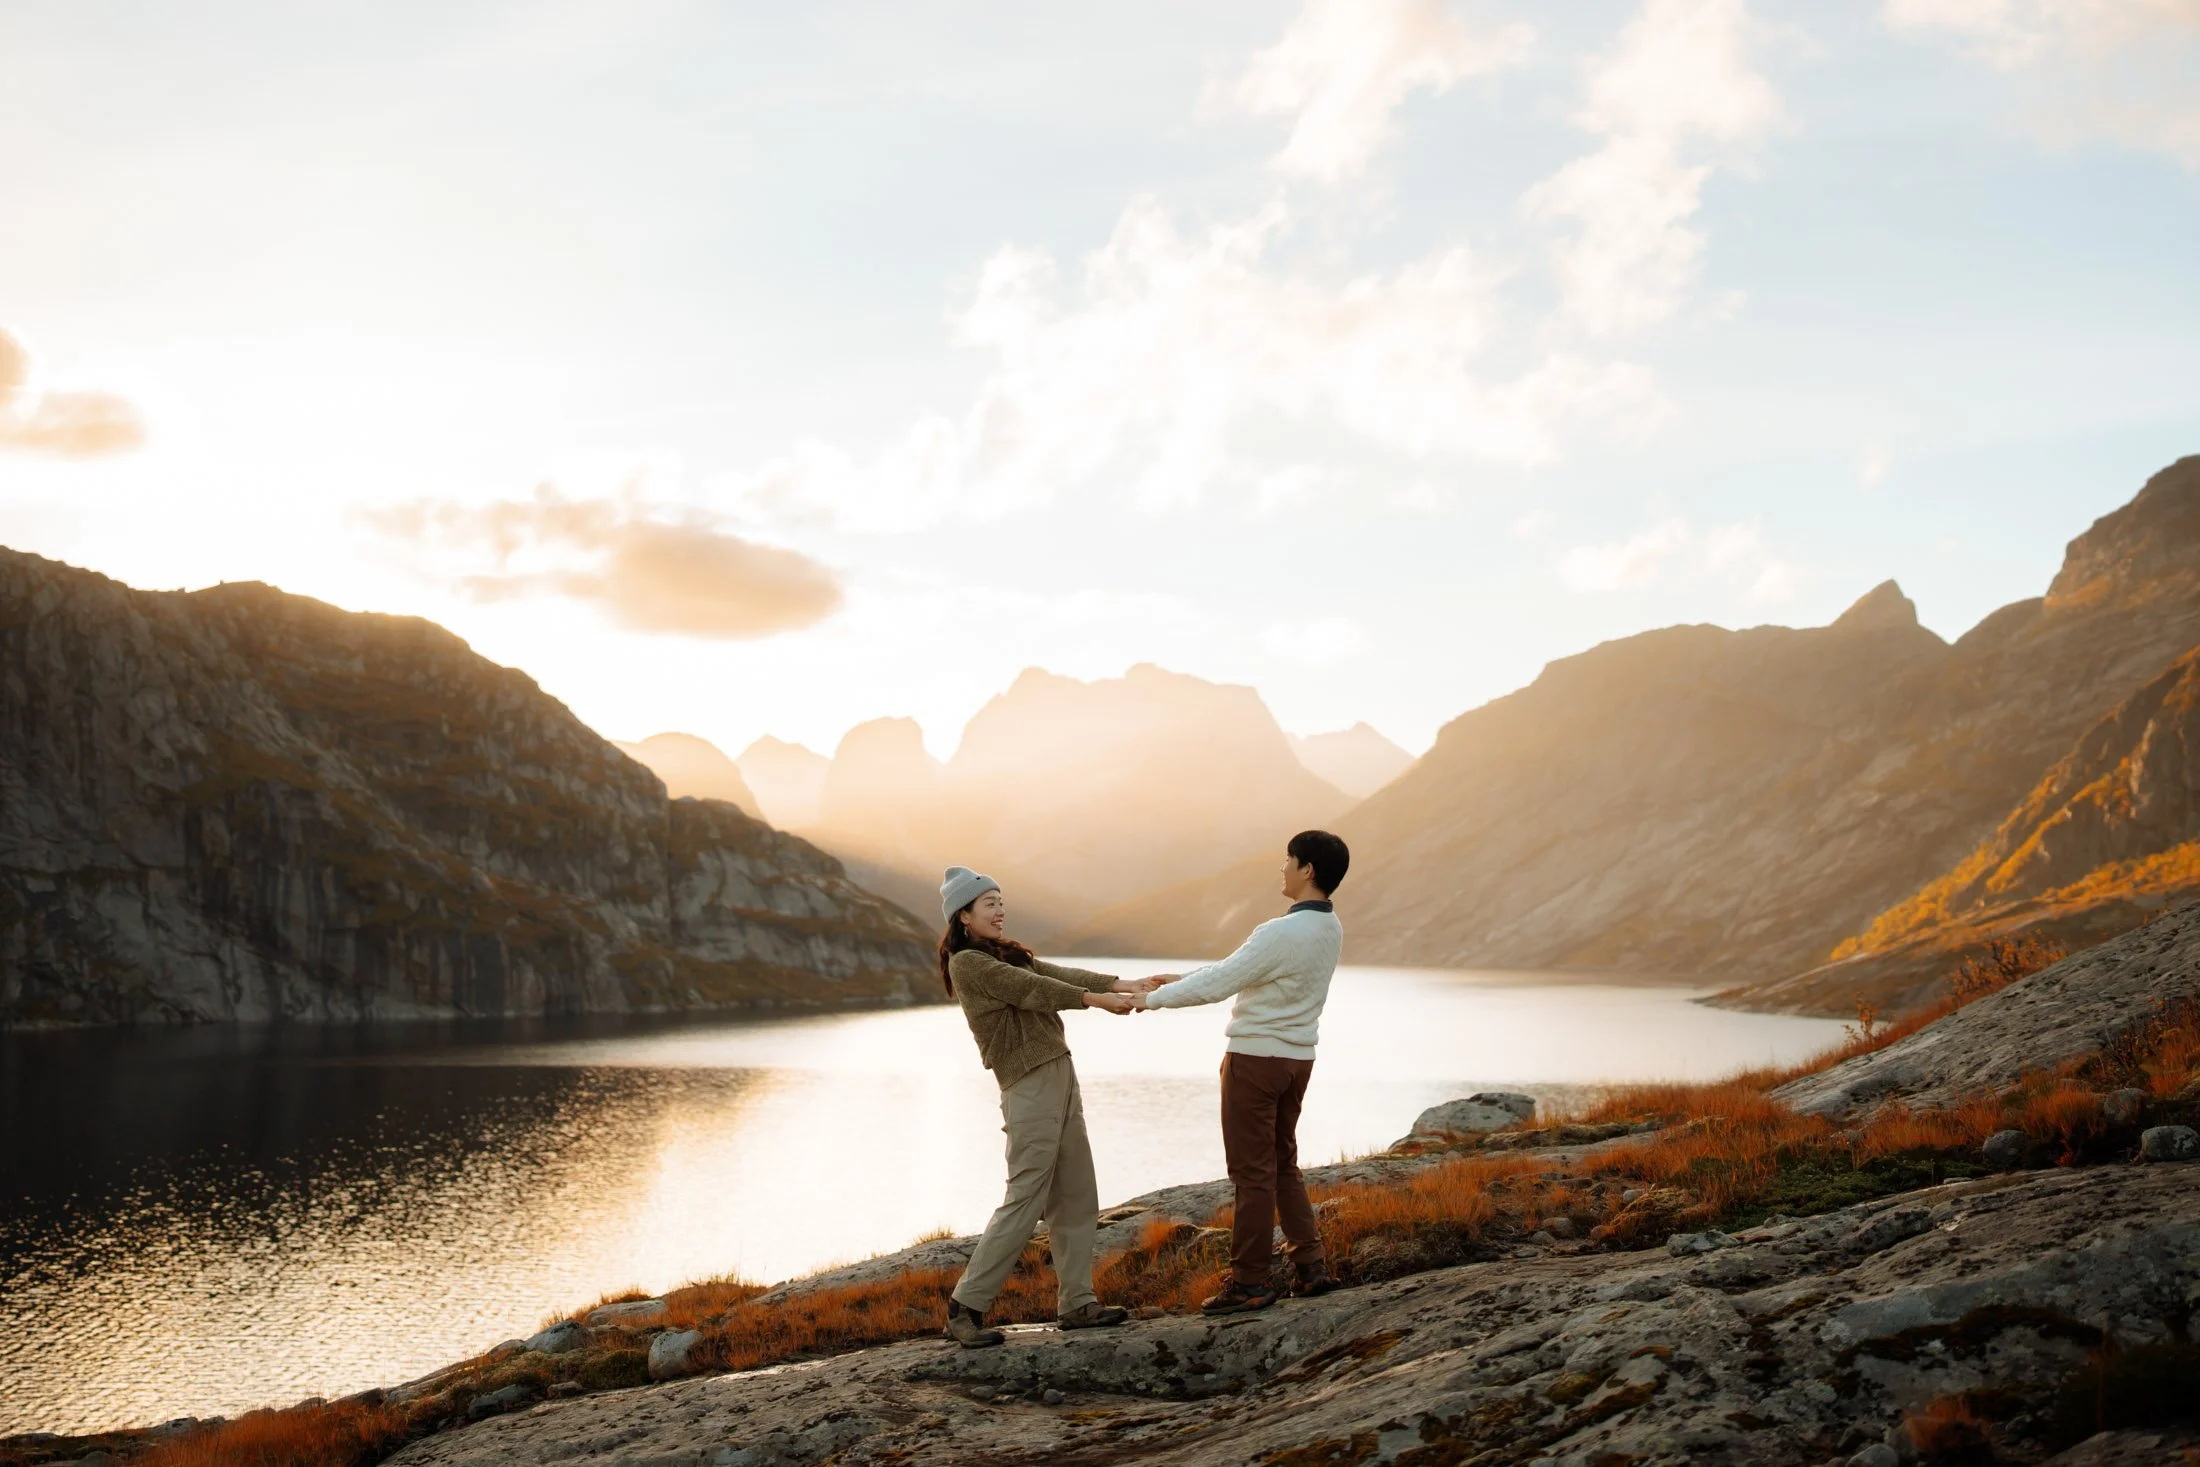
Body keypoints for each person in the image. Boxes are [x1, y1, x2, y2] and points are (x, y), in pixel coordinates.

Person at [937, 865, 1159, 1348]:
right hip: (1028, 1084)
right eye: (988, 903)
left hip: (1060, 1074)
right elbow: (1033, 991)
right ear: (964, 917)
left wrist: (1123, 983)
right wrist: (1097, 1001)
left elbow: (1053, 973)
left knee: (1077, 1192)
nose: (999, 909)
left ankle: (1077, 1303)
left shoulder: (1005, 954)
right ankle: (966, 1308)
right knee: (1027, 1196)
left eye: (1000, 900)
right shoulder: (969, 964)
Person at [1134, 830, 1349, 1314]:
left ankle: (1250, 1282)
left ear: (1307, 870)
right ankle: (1310, 1267)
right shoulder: (1329, 929)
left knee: (1251, 1174)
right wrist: (1182, 979)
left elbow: (1226, 982)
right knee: (1282, 1164)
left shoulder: (1280, 931)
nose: (1282, 869)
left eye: (1289, 860)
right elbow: (1243, 970)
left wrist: (1150, 999)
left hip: (1255, 1062)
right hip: (1297, 1062)